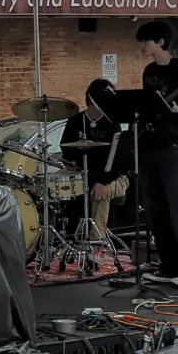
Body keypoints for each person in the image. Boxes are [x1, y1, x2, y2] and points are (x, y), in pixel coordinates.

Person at [135, 19, 178, 290]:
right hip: (150, 144)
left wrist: (175, 104)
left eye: (146, 41)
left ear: (160, 42)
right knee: (156, 209)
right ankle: (168, 265)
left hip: (174, 146)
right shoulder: (149, 70)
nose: (142, 45)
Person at [61, 79, 130, 237]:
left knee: (99, 193)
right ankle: (67, 236)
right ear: (93, 100)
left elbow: (118, 160)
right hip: (83, 175)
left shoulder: (112, 123)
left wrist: (103, 182)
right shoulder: (75, 121)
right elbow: (66, 149)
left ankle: (96, 242)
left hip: (114, 178)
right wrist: (68, 162)